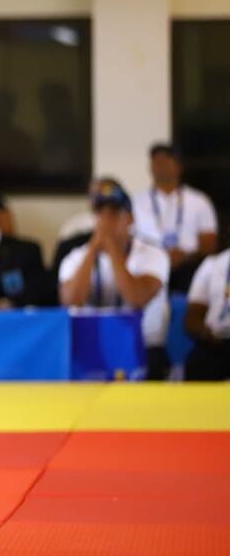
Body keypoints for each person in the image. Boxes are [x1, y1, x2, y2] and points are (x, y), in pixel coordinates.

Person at [59, 179, 171, 379]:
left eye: (114, 213)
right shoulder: (76, 257)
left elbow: (136, 298)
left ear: (129, 219)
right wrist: (93, 249)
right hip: (91, 346)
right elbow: (71, 300)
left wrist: (112, 250)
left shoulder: (154, 255)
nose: (106, 220)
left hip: (143, 345)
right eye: (100, 213)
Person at [131, 143, 218, 291]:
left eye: (165, 161)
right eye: (155, 162)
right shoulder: (136, 202)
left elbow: (210, 243)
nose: (159, 166)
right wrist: (160, 255)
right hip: (149, 268)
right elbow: (128, 239)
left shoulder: (199, 201)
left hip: (189, 269)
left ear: (179, 167)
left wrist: (185, 256)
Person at [183, 247, 230, 380]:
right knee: (198, 363)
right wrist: (203, 331)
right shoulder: (213, 264)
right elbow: (192, 318)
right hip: (218, 341)